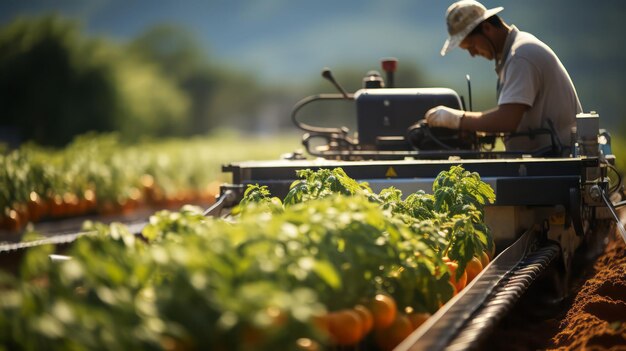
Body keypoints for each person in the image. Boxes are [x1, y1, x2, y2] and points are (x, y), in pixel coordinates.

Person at [425, 0, 582, 155]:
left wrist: (457, 120)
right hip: (549, 158)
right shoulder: (515, 54)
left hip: (558, 161)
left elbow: (507, 120)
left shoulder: (521, 56)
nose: (472, 54)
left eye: (472, 45)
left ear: (487, 28)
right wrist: (476, 129)